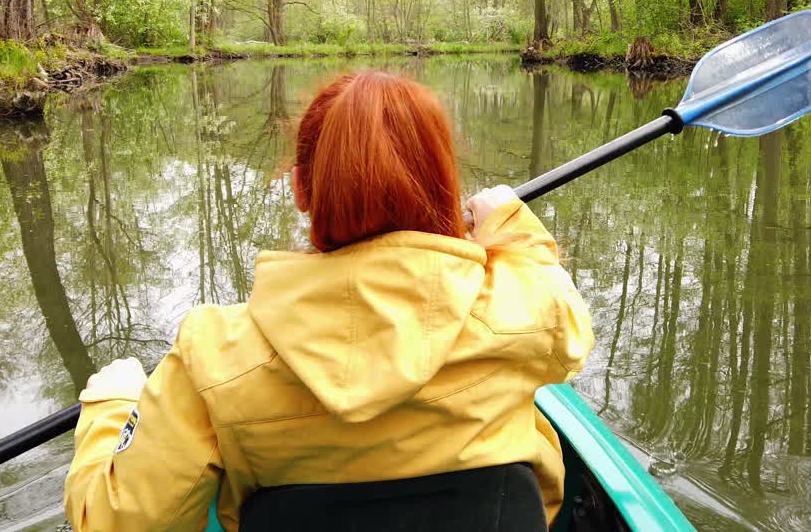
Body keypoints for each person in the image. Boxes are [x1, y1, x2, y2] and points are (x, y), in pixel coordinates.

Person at [64, 71, 594, 531]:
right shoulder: (530, 308)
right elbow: (563, 307)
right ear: (444, 188)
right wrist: (508, 219)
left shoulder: (212, 351)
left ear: (300, 188)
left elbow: (121, 523)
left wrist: (113, 404)